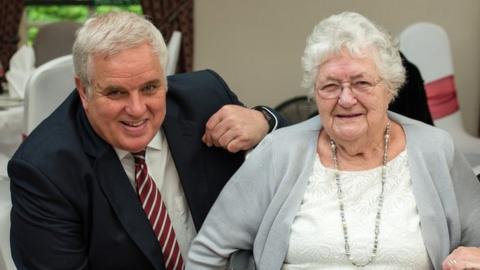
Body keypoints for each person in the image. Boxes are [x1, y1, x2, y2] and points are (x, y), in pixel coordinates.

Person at [186, 12, 480, 270]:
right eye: (330, 86)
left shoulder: (435, 149)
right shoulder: (278, 152)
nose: (346, 99)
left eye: (361, 83)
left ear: (390, 89)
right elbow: (208, 251)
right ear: (315, 92)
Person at [8, 12, 286, 270]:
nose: (137, 109)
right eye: (116, 93)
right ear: (83, 90)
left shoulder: (206, 98)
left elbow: (303, 151)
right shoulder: (44, 170)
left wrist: (265, 121)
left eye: (150, 87)